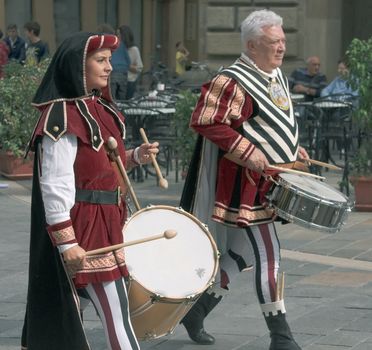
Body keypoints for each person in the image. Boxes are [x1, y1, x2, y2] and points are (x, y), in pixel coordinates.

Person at [21, 31, 159, 350]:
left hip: (108, 219)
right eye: (101, 60)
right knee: (116, 311)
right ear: (76, 66)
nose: (109, 67)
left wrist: (134, 156)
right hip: (85, 225)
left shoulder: (98, 108)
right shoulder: (62, 116)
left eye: (110, 59)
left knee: (69, 311)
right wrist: (67, 242)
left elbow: (97, 164)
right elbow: (55, 182)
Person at [180, 9, 308, 349]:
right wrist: (244, 149)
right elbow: (205, 120)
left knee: (243, 255)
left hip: (273, 179)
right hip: (247, 184)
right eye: (273, 42)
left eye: (283, 40)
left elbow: (271, 123)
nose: (281, 47)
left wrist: (294, 149)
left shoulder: (273, 73)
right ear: (252, 46)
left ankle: (197, 311)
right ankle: (281, 336)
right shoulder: (232, 80)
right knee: (270, 255)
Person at [118, 25, 143, 100]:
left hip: (129, 81)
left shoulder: (133, 50)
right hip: (117, 81)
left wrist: (126, 65)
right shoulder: (117, 48)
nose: (117, 36)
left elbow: (139, 67)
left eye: (119, 34)